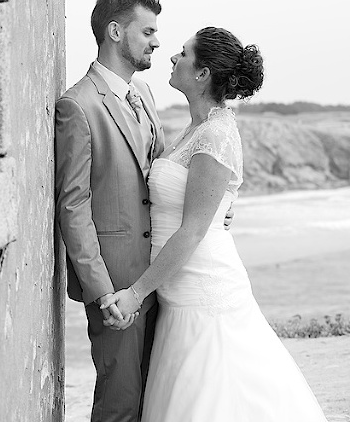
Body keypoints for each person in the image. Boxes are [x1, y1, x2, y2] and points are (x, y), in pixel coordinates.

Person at [101, 27, 327, 421]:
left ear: (202, 73)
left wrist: (135, 293)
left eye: (183, 53)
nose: (172, 58)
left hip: (202, 289)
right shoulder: (194, 129)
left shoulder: (217, 135)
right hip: (176, 291)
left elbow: (192, 231)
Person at [56, 0, 184, 422]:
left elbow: (160, 175)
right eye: (147, 31)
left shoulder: (144, 94)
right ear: (115, 31)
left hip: (156, 276)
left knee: (156, 398)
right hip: (116, 286)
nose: (156, 42)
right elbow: (73, 207)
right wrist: (103, 292)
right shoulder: (78, 105)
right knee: (120, 405)